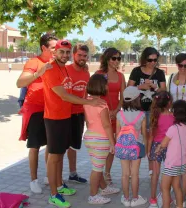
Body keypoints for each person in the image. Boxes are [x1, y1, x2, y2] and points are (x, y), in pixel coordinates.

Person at [41, 40, 105, 207]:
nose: (65, 55)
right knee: (54, 157)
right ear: (54, 52)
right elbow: (64, 95)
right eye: (61, 52)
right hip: (54, 117)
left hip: (65, 116)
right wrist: (89, 103)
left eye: (67, 52)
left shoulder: (64, 69)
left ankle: (60, 186)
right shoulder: (50, 69)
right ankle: (53, 194)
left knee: (60, 154)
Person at [16, 34, 57, 194]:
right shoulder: (34, 62)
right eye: (53, 47)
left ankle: (49, 175)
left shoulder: (56, 63)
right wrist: (38, 73)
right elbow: (20, 83)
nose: (56, 50)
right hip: (35, 110)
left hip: (51, 109)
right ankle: (33, 180)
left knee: (50, 145)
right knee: (34, 146)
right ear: (44, 48)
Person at [127, 47, 166, 176]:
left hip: (153, 111)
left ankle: (151, 169)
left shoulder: (159, 73)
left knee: (151, 139)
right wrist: (140, 87)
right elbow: (128, 89)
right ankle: (132, 170)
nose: (152, 62)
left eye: (155, 60)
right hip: (137, 110)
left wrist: (156, 88)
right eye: (150, 60)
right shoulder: (136, 71)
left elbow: (164, 91)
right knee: (136, 138)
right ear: (144, 59)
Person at [83, 74, 120, 204]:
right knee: (97, 169)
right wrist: (112, 142)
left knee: (96, 165)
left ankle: (103, 188)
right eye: (106, 84)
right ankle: (93, 195)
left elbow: (88, 121)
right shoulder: (102, 105)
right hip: (101, 139)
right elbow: (106, 125)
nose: (107, 87)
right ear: (101, 86)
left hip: (90, 136)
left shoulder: (87, 101)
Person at [96, 47, 126, 185]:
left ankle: (107, 172)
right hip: (101, 114)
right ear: (107, 59)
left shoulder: (120, 76)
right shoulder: (99, 74)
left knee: (112, 145)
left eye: (119, 58)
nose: (116, 61)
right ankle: (98, 171)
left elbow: (123, 96)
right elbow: (94, 94)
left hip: (116, 115)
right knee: (102, 144)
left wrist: (116, 110)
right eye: (114, 58)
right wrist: (105, 111)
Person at [155, 100, 186, 208]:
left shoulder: (173, 128)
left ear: (175, 112)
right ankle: (179, 205)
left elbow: (164, 143)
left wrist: (159, 147)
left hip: (171, 163)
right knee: (177, 186)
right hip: (182, 162)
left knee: (164, 187)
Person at [117, 86, 148, 207]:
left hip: (123, 145)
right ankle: (135, 199)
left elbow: (117, 132)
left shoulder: (120, 114)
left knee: (125, 174)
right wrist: (145, 147)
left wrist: (116, 146)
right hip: (137, 146)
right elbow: (144, 133)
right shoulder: (141, 114)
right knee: (135, 174)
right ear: (137, 99)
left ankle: (126, 199)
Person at [65, 43, 90, 184]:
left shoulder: (86, 72)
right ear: (73, 55)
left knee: (74, 146)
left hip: (79, 113)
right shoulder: (65, 70)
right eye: (79, 55)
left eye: (85, 56)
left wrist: (87, 116)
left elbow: (86, 95)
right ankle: (51, 177)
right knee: (58, 147)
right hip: (63, 113)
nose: (82, 58)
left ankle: (72, 174)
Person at [147, 91, 173, 207]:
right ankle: (167, 196)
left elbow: (151, 136)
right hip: (170, 147)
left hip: (156, 146)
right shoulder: (173, 117)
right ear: (169, 103)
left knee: (155, 174)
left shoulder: (155, 117)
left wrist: (148, 150)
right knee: (168, 173)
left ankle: (153, 199)